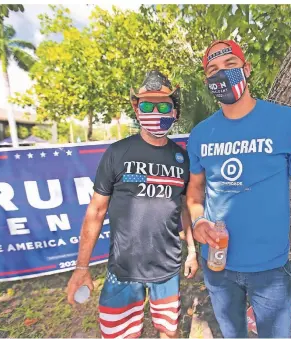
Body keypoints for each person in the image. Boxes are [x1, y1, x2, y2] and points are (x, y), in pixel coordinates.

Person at [186, 40, 291, 338]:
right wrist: (198, 220)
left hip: (270, 270)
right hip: (217, 265)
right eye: (213, 70)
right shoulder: (200, 135)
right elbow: (195, 193)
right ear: (207, 81)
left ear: (246, 70)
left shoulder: (286, 122)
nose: (221, 75)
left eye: (230, 66)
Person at [67, 70, 198, 339]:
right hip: (123, 269)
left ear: (174, 112)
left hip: (167, 267)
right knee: (120, 335)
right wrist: (82, 267)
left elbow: (184, 207)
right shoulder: (117, 153)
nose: (155, 111)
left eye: (163, 105)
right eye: (147, 105)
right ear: (136, 109)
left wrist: (193, 251)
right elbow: (96, 211)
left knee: (169, 331)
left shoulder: (181, 158)